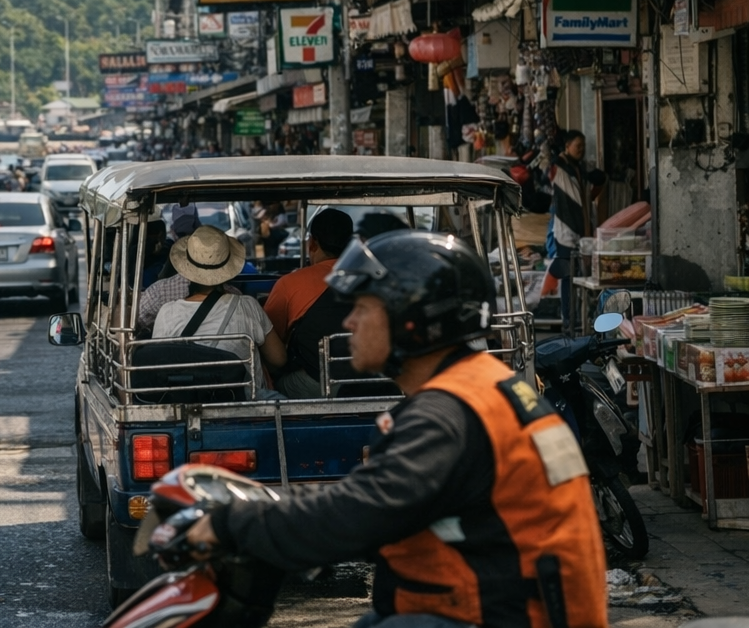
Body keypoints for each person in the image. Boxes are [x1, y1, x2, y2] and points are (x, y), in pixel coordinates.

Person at [186, 230, 608, 628]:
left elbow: (359, 514)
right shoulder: (480, 387)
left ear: (413, 320)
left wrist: (231, 524)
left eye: (363, 309)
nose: (349, 322)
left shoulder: (447, 415)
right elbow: (372, 499)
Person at [148, 226, 285, 370]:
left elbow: (158, 366)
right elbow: (279, 359)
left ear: (188, 268)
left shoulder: (167, 313)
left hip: (186, 385)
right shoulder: (248, 306)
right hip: (240, 385)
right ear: (226, 269)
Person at [263, 208, 354, 398]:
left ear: (312, 243)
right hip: (371, 380)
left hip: (318, 384)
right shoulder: (373, 280)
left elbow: (271, 345)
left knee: (273, 385)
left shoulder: (290, 284)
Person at [136, 225, 258, 336]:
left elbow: (136, 325)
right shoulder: (241, 302)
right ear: (226, 266)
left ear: (186, 259)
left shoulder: (160, 296)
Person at [548, 129, 605, 333]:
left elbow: (600, 178)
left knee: (583, 276)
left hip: (583, 231)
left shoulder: (580, 168)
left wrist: (591, 194)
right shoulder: (559, 167)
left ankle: (581, 318)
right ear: (567, 146)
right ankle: (568, 319)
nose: (581, 150)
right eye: (577, 146)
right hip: (566, 232)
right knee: (568, 276)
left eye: (583, 146)